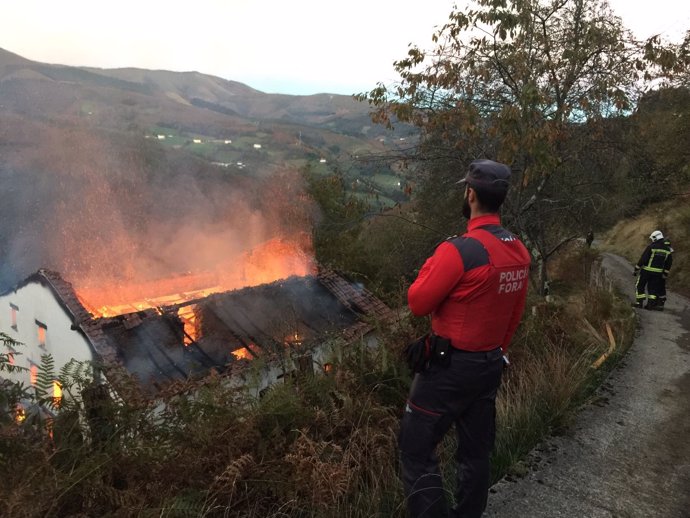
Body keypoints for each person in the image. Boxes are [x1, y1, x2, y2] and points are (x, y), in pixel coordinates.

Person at [400, 159, 531, 518]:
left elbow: (417, 302)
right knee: (475, 453)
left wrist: (431, 265)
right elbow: (515, 312)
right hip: (489, 364)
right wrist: (498, 352)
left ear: (470, 194)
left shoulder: (459, 250)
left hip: (448, 369)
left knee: (416, 449)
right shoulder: (518, 250)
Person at [633, 230, 673, 311]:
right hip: (658, 273)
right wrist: (665, 274)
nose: (652, 240)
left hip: (646, 271)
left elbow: (643, 259)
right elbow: (668, 263)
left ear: (655, 237)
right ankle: (650, 305)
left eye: (653, 238)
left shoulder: (651, 247)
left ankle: (639, 303)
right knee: (653, 289)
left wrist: (636, 268)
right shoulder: (668, 250)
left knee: (639, 286)